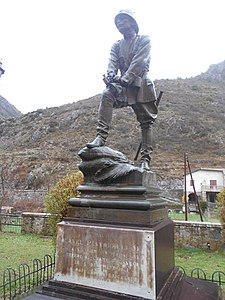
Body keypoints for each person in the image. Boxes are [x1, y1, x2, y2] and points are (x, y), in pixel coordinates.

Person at [87, 9, 158, 171]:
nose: (119, 23)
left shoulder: (144, 40)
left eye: (123, 20)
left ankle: (145, 159)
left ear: (132, 22)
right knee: (107, 95)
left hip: (140, 86)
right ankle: (100, 137)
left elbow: (139, 63)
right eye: (117, 21)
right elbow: (112, 63)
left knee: (146, 123)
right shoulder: (117, 45)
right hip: (123, 86)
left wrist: (124, 79)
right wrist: (111, 76)